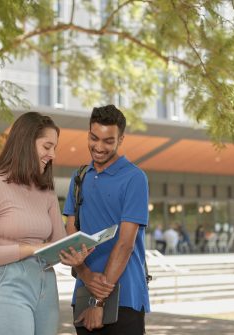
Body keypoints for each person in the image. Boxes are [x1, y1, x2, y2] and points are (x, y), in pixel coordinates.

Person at [0, 112, 91, 335]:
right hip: (4, 285)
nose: (53, 155)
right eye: (47, 146)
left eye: (55, 148)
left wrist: (74, 256)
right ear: (26, 143)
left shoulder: (46, 190)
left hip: (45, 286)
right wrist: (30, 249)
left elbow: (58, 244)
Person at [63, 105, 150, 334]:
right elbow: (71, 231)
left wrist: (99, 302)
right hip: (83, 291)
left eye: (108, 141)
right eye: (94, 138)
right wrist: (85, 274)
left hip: (126, 297)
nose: (99, 147)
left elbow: (125, 243)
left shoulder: (135, 178)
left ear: (120, 140)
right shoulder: (79, 177)